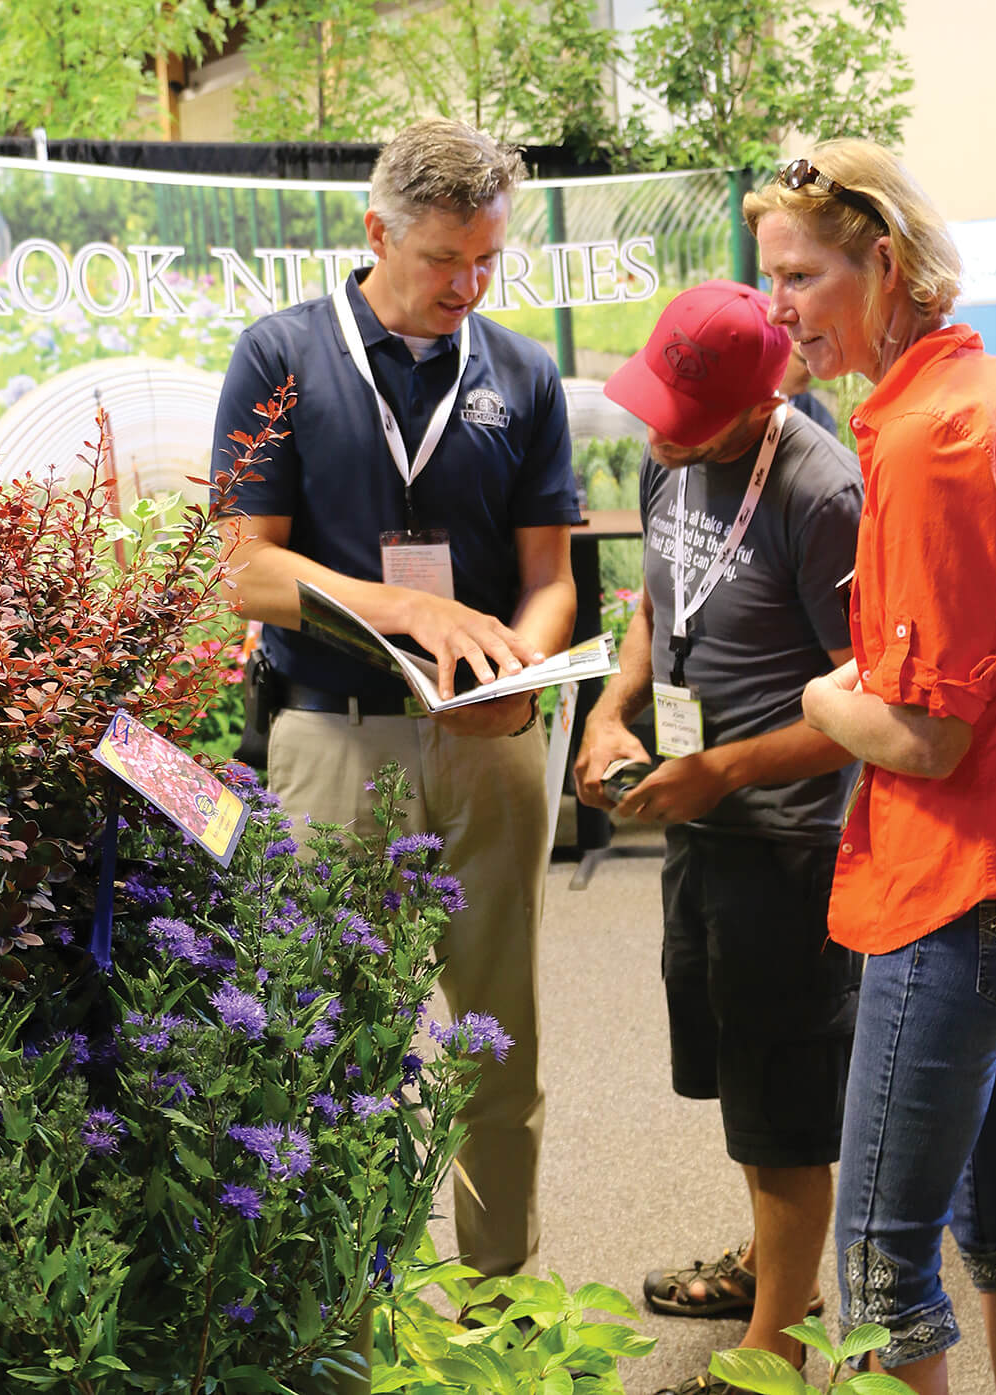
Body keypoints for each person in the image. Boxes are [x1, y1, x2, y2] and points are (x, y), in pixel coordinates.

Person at [744, 142, 996, 1395]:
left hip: (963, 889)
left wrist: (815, 694)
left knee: (878, 1269)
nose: (780, 308)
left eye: (802, 277)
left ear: (886, 264)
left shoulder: (931, 434)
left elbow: (928, 737)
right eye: (772, 279)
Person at [210, 117, 580, 1282]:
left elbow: (551, 581)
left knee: (496, 1042)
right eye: (442, 262)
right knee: (330, 1037)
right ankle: (340, 1309)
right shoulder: (278, 356)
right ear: (377, 232)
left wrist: (518, 671)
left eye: (488, 262)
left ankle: (499, 1302)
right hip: (333, 740)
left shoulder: (519, 372)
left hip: (488, 748)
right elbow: (246, 571)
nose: (467, 287)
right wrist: (406, 609)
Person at [573, 280, 864, 1395]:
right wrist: (610, 713)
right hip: (696, 815)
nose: (657, 433)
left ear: (762, 401)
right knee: (737, 1068)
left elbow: (865, 703)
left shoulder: (822, 492)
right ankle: (769, 1269)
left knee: (784, 1095)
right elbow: (657, 599)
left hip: (788, 842)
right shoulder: (669, 453)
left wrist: (723, 772)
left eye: (686, 416)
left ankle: (780, 1349)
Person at [779, 339, 838, 434]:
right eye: (805, 361)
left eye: (818, 364)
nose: (812, 372)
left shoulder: (820, 420)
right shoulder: (751, 393)